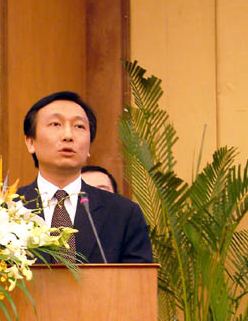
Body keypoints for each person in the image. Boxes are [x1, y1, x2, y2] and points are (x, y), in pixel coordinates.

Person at [17, 91, 153, 263]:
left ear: (89, 146)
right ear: (30, 142)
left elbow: (138, 278)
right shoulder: (5, 210)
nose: (68, 136)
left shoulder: (123, 214)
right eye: (55, 124)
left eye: (79, 126)